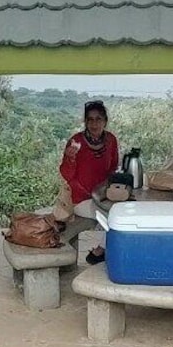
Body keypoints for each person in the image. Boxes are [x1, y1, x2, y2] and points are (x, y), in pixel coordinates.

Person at [53, 100, 119, 265]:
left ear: (105, 121)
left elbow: (113, 167)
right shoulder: (76, 142)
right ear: (85, 122)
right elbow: (66, 174)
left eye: (98, 119)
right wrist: (70, 158)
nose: (94, 123)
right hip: (81, 198)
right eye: (90, 119)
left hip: (103, 196)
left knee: (122, 212)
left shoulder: (111, 140)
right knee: (114, 218)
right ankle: (100, 252)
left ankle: (105, 250)